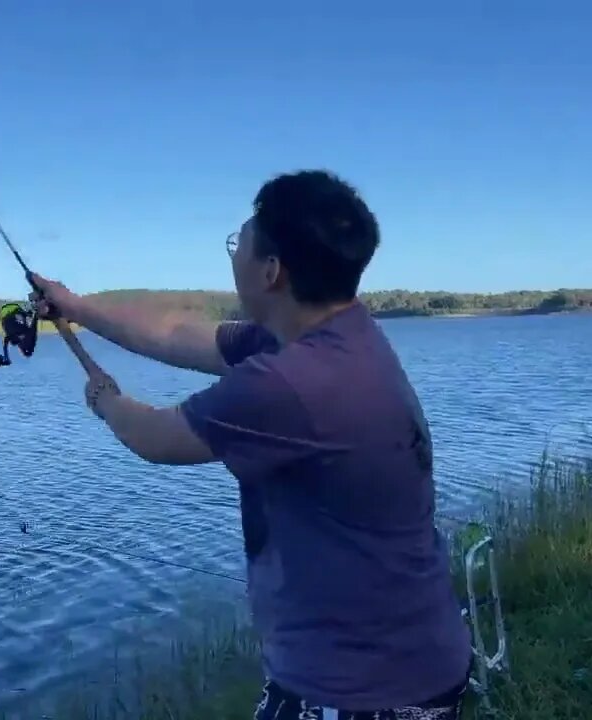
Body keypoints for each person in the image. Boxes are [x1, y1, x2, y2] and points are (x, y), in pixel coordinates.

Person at [31, 169, 473, 719]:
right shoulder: (335, 331)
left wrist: (103, 397)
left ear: (271, 271)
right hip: (394, 664)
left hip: (366, 691)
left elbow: (156, 438)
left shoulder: (295, 380)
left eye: (238, 243)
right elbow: (176, 335)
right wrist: (74, 305)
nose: (232, 254)